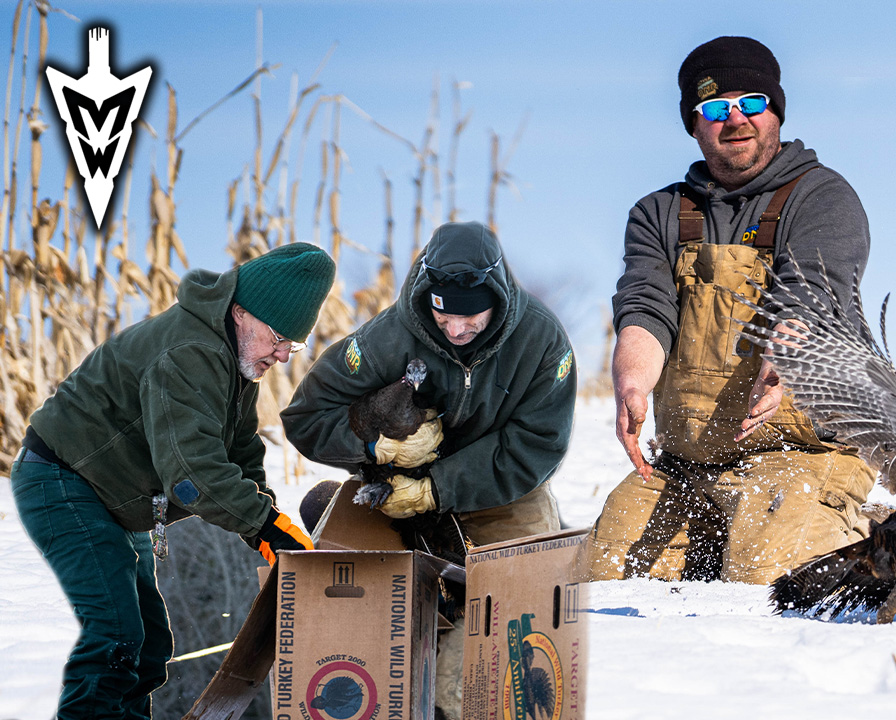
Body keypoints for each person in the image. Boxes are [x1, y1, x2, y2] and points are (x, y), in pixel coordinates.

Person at [576, 36, 878, 585]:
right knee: (604, 576)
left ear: (776, 111)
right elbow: (646, 305)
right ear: (694, 124)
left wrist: (783, 357)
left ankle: (861, 537)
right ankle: (730, 543)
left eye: (752, 103)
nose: (736, 119)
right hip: (687, 465)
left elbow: (813, 290)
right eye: (715, 108)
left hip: (804, 454)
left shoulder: (823, 197)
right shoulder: (658, 213)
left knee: (768, 581)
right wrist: (632, 384)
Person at [9, 242, 335, 719]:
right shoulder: (190, 352)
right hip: (63, 481)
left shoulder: (235, 361)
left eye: (296, 344)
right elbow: (191, 474)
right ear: (241, 313)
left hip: (110, 497)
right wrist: (264, 526)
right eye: (280, 337)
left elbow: (241, 454)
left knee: (149, 643)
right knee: (115, 634)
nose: (284, 355)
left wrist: (269, 525)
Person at [280, 220, 576, 720]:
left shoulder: (542, 341)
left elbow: (537, 445)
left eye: (470, 316)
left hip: (502, 491)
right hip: (396, 489)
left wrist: (435, 488)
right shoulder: (389, 337)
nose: (455, 329)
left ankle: (462, 689)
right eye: (443, 315)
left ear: (498, 296)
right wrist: (377, 446)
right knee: (333, 529)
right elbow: (305, 418)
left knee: (508, 630)